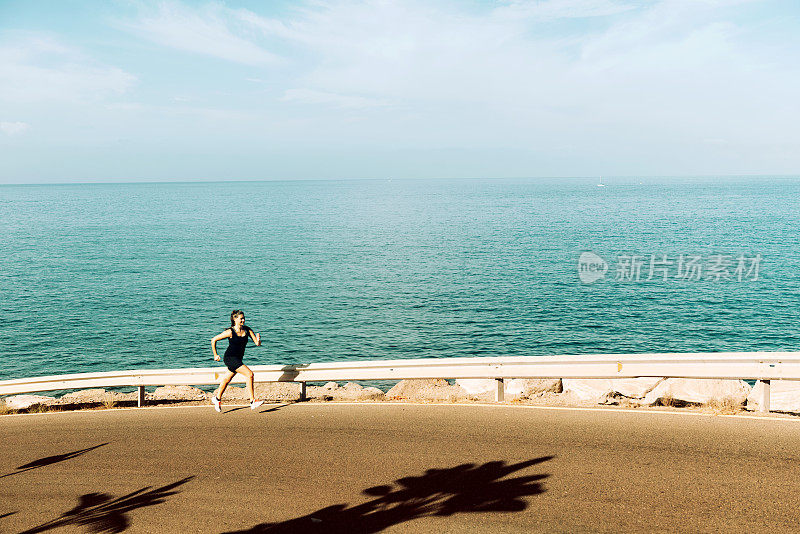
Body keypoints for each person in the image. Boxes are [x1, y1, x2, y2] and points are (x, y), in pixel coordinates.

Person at [210, 310, 264, 412]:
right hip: (230, 358)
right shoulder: (230, 332)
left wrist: (258, 340)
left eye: (244, 318)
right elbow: (213, 340)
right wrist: (215, 354)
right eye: (241, 318)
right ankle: (252, 401)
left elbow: (257, 343)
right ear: (235, 319)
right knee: (249, 374)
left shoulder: (247, 330)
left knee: (226, 380)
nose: (243, 320)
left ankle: (217, 399)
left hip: (238, 358)